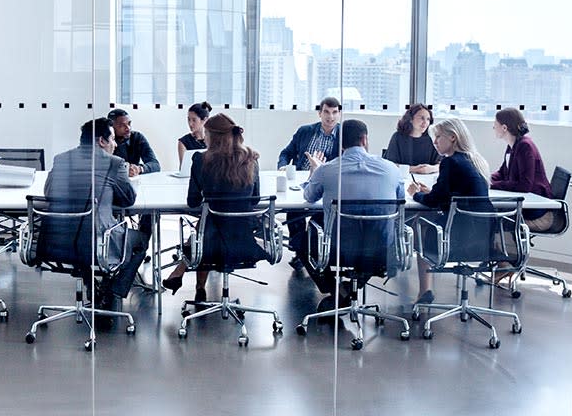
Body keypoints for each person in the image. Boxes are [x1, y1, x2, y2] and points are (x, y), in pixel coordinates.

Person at [41, 118, 146, 313]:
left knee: (82, 241)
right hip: (97, 242)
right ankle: (112, 290)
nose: (115, 144)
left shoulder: (61, 159)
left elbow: (49, 193)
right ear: (101, 141)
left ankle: (91, 281)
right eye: (113, 139)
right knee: (140, 241)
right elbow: (128, 199)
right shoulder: (114, 163)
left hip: (58, 241)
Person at [162, 113, 264, 304]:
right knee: (209, 227)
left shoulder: (201, 160)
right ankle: (185, 277)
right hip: (244, 240)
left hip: (211, 241)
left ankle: (195, 284)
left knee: (205, 228)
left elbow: (193, 201)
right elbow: (255, 199)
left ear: (212, 136)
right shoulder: (251, 159)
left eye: (206, 134)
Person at [302, 119, 405, 309]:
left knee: (305, 235)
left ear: (339, 144)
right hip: (382, 250)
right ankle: (347, 291)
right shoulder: (391, 169)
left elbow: (308, 197)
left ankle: (336, 290)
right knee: (371, 235)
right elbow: (400, 201)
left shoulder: (327, 170)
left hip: (338, 250)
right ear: (365, 140)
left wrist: (315, 172)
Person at [406, 117, 492, 306]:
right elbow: (449, 196)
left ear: (452, 138)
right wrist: (431, 192)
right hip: (482, 237)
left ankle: (425, 290)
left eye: (437, 137)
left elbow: (433, 202)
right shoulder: (475, 160)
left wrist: (414, 194)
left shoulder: (450, 162)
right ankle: (426, 290)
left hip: (458, 235)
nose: (434, 142)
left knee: (420, 222)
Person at [278, 97, 343, 268]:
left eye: (335, 112)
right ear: (319, 113)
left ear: (339, 113)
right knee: (294, 211)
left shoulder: (344, 135)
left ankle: (312, 250)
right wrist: (283, 166)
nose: (331, 117)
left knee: (321, 214)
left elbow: (344, 164)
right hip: (302, 179)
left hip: (327, 182)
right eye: (327, 112)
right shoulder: (305, 131)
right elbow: (286, 152)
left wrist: (322, 167)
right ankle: (301, 252)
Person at [490, 108, 555, 232]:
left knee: (495, 223)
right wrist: (485, 179)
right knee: (494, 218)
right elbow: (503, 173)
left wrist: (493, 185)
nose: (493, 127)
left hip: (539, 214)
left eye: (495, 124)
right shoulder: (513, 146)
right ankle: (504, 251)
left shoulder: (525, 146)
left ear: (504, 128)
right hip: (528, 209)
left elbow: (524, 185)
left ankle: (506, 252)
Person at [383, 103, 441, 173]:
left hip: (427, 179)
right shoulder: (397, 137)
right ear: (411, 119)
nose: (425, 122)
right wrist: (413, 169)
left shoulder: (431, 139)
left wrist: (432, 168)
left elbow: (441, 163)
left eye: (428, 119)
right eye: (422, 118)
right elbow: (390, 165)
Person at [107, 108, 161, 176]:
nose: (128, 128)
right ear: (111, 127)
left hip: (134, 181)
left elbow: (155, 165)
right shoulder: (105, 141)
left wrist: (139, 169)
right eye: (122, 125)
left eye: (129, 123)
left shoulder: (137, 137)